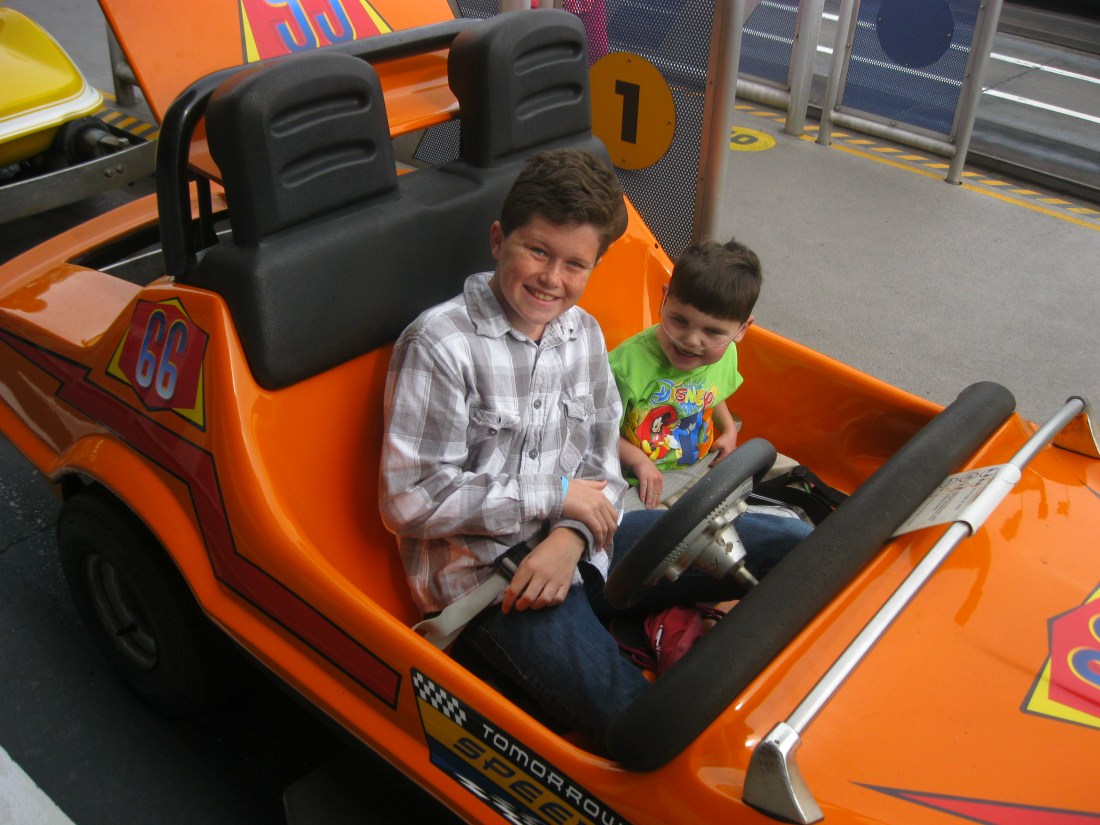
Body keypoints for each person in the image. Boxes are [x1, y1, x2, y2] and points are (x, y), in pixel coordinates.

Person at [380, 149, 810, 746]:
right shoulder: (439, 345)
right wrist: (556, 500)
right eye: (537, 251)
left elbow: (598, 463)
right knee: (644, 726)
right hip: (491, 582)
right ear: (499, 239)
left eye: (575, 264)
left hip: (588, 548)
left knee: (793, 544)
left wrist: (571, 535)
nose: (552, 279)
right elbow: (409, 501)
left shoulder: (582, 335)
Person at [611, 238, 762, 511]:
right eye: (679, 320)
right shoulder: (626, 367)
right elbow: (598, 432)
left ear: (741, 330)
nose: (691, 340)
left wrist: (728, 430)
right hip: (641, 485)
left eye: (712, 332)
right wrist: (638, 460)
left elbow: (709, 394)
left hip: (699, 467)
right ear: (664, 298)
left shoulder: (724, 354)